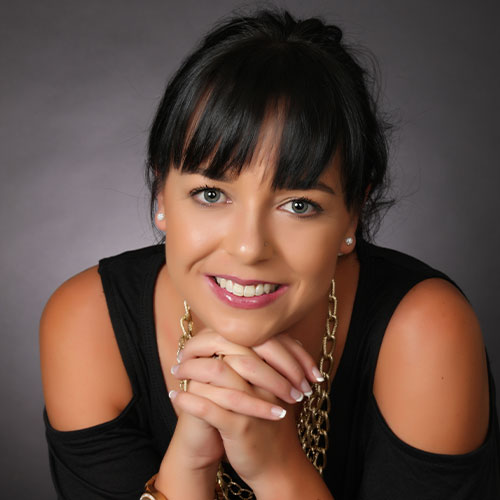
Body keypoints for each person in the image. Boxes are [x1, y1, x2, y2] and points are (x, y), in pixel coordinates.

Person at [39, 8, 500, 500]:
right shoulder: (88, 323)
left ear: (352, 215)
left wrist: (277, 467)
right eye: (211, 194)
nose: (248, 248)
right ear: (161, 195)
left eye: (299, 205)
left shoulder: (425, 329)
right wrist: (189, 462)